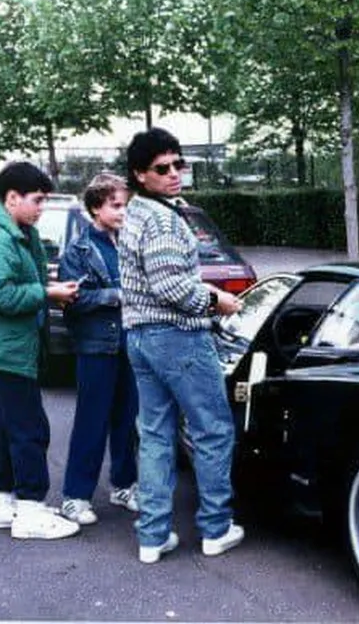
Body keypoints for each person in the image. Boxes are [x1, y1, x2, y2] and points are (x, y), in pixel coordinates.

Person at [119, 128, 244, 564]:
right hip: (177, 338)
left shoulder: (135, 212)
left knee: (154, 436)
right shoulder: (162, 218)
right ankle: (216, 528)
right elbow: (171, 284)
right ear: (140, 174)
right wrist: (217, 300)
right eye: (162, 168)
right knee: (212, 429)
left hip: (140, 338)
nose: (174, 173)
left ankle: (151, 537)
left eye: (179, 164)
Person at [0, 161, 81, 539]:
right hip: (3, 351)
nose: (41, 207)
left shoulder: (17, 233)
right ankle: (31, 511)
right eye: (37, 200)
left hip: (7, 347)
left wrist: (48, 289)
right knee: (31, 427)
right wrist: (47, 293)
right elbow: (1, 295)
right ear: (12, 199)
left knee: (12, 425)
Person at [57, 173, 139, 525]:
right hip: (95, 347)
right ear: (95, 208)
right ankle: (75, 496)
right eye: (115, 205)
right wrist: (113, 296)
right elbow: (72, 300)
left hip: (131, 344)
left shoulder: (130, 243)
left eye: (126, 205)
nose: (123, 212)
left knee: (128, 420)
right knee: (92, 421)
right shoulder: (78, 251)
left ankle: (123, 485)